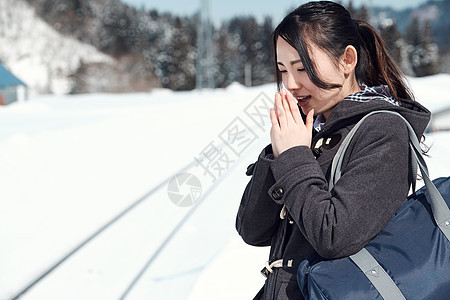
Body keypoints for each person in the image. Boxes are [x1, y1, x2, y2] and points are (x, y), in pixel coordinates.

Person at [235, 1, 431, 299]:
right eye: (282, 70)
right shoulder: (308, 130)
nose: (289, 84)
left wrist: (293, 158)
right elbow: (252, 230)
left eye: (302, 68)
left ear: (347, 59)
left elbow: (335, 236)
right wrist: (278, 153)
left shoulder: (383, 131)